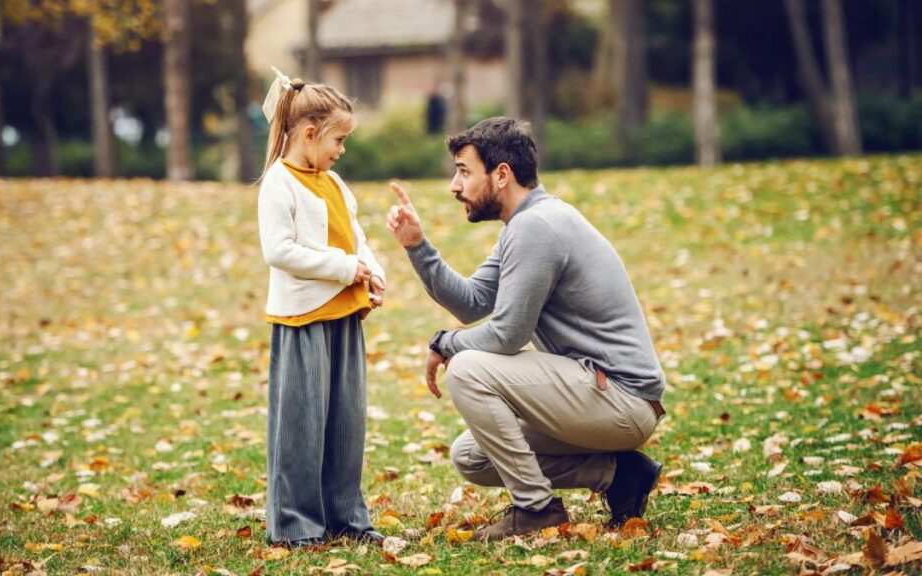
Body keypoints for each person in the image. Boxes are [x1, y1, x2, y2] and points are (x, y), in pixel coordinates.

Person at [386, 117, 666, 541]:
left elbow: (507, 335)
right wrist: (417, 247)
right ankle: (620, 474)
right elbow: (471, 302)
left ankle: (536, 509)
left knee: (467, 368)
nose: (454, 186)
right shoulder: (529, 222)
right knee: (472, 456)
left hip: (621, 399)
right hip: (598, 395)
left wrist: (446, 345)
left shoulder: (537, 226)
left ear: (501, 174)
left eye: (464, 171)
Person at [257, 68, 386, 548]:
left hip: (345, 319)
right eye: (339, 139)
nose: (342, 149)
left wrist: (372, 273)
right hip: (302, 321)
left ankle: (347, 518)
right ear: (309, 134)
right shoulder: (279, 183)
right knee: (301, 427)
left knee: (346, 424)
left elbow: (358, 238)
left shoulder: (334, 182)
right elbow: (280, 251)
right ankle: (295, 525)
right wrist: (345, 268)